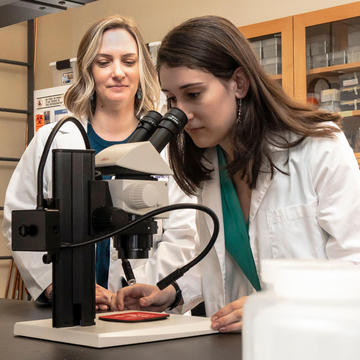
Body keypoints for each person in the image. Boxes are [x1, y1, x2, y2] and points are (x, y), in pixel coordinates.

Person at [108, 15, 360, 332]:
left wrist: (274, 305)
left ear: (238, 83)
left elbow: (354, 268)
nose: (181, 113)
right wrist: (170, 292)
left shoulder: (319, 147)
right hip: (241, 344)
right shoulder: (210, 166)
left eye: (194, 94)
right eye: (172, 99)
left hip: (316, 340)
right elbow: (222, 263)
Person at [2, 15, 198, 310]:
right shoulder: (53, 139)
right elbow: (20, 219)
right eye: (104, 62)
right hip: (69, 303)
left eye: (128, 61)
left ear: (142, 69)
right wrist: (55, 283)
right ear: (88, 70)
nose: (117, 72)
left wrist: (148, 291)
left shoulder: (169, 148)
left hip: (142, 307)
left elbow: (184, 231)